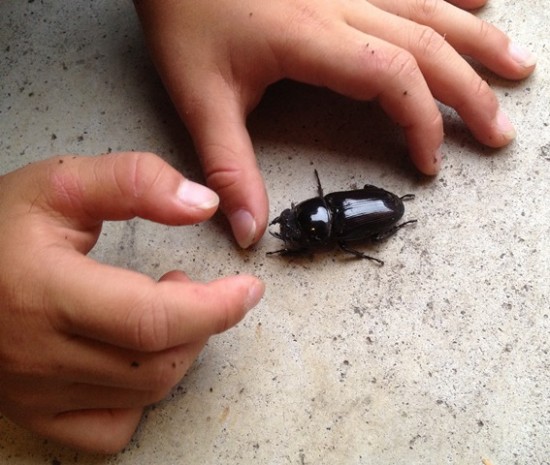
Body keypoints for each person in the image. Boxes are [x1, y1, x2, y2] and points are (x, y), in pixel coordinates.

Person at [0, 0, 536, 454]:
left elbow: (343, 222)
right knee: (360, 233)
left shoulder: (332, 229)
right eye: (299, 225)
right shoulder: (325, 221)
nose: (296, 226)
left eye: (299, 225)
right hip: (369, 209)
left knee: (364, 236)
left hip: (377, 211)